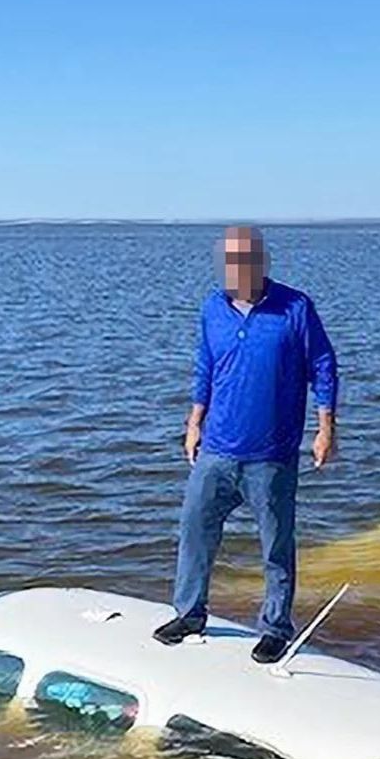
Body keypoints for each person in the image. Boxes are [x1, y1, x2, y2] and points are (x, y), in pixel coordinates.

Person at [153, 225, 338, 663]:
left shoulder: (295, 307)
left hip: (271, 456)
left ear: (260, 262)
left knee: (276, 545)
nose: (234, 271)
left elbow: (324, 366)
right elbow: (205, 367)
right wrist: (193, 422)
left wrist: (326, 429)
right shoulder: (212, 308)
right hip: (216, 450)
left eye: (243, 261)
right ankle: (190, 613)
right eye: (228, 262)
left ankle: (275, 627)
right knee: (195, 532)